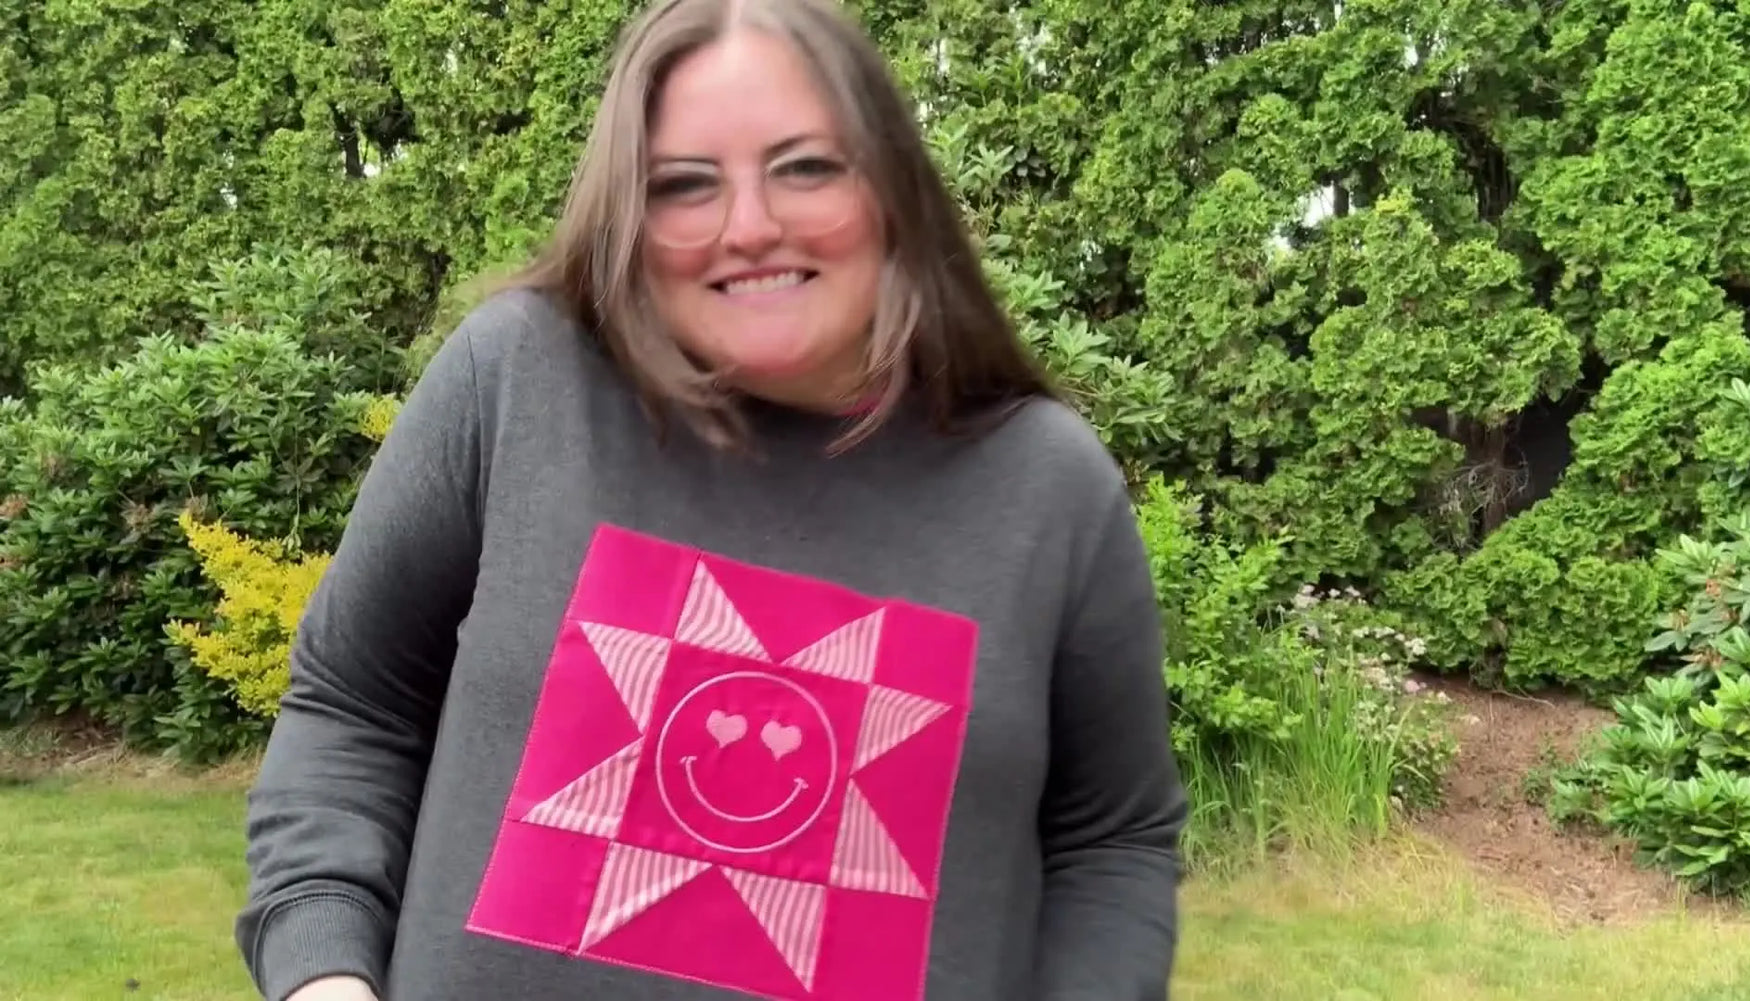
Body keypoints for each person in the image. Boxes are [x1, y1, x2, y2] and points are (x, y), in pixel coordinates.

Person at [234, 0, 1188, 998]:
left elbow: (1110, 838)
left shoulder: (1046, 485)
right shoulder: (519, 377)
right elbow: (353, 702)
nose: (749, 226)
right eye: (684, 185)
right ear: (628, 215)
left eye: (806, 166)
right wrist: (322, 971)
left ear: (895, 187)